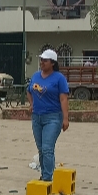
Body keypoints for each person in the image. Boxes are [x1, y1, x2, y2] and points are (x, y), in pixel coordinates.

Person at [27, 49, 70, 182]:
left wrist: (65, 118)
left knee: (47, 148)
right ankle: (45, 173)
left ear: (52, 63)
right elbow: (29, 90)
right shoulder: (35, 76)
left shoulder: (59, 78)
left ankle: (47, 178)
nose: (42, 63)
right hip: (37, 117)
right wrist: (31, 104)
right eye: (41, 60)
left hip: (53, 117)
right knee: (41, 149)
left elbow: (63, 98)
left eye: (45, 61)